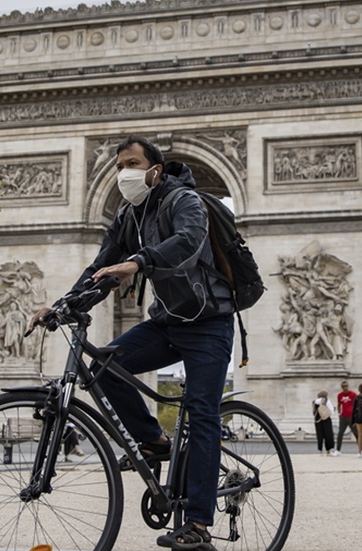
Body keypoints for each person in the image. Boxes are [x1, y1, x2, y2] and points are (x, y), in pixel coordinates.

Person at [29, 136, 234, 551]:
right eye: (120, 164)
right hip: (167, 323)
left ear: (155, 169)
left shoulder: (185, 201)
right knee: (103, 366)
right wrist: (64, 304)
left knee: (202, 414)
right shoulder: (128, 215)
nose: (125, 172)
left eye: (133, 163)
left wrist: (139, 261)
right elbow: (101, 267)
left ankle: (197, 523)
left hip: (209, 323)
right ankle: (154, 441)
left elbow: (189, 243)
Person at [334, 380, 358, 456]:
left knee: (356, 433)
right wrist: (339, 413)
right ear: (341, 387)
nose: (345, 388)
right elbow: (338, 404)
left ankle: (361, 450)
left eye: (346, 386)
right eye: (343, 387)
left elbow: (357, 404)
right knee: (340, 434)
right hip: (343, 417)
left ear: (348, 386)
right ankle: (338, 450)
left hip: (351, 417)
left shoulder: (353, 394)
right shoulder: (339, 395)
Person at [313, 390, 335, 456]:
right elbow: (331, 410)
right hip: (326, 419)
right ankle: (328, 450)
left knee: (320, 435)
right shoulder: (326, 400)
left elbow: (313, 412)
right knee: (328, 435)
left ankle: (320, 450)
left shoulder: (315, 402)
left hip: (317, 420)